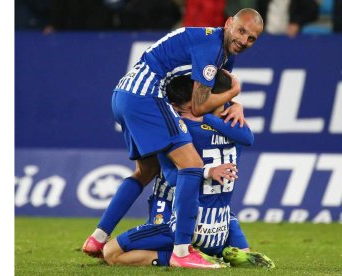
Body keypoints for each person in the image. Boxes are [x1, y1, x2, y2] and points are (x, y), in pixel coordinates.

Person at [82, 8, 264, 268]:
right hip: (147, 96)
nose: (244, 40)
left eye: (252, 38)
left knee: (145, 172)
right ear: (228, 24)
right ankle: (181, 251)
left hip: (124, 94)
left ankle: (98, 238)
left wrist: (235, 103)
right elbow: (200, 106)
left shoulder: (220, 51)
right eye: (242, 31)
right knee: (191, 165)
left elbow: (217, 94)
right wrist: (235, 90)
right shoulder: (212, 47)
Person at [102, 75, 275, 269]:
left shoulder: (179, 130)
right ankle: (232, 252)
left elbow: (173, 176)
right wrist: (233, 105)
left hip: (181, 221)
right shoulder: (235, 130)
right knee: (233, 231)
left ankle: (179, 258)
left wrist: (206, 171)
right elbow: (247, 137)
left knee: (110, 252)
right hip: (222, 227)